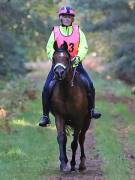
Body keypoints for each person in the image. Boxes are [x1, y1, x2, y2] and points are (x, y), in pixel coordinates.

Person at [39, 6, 101, 127]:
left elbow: (84, 47)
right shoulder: (55, 32)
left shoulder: (78, 31)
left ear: (72, 19)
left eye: (69, 17)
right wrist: (56, 60)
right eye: (64, 17)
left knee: (89, 84)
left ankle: (92, 110)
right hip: (58, 66)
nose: (67, 19)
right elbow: (49, 47)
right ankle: (45, 116)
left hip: (75, 64)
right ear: (60, 18)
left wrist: (77, 58)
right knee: (47, 87)